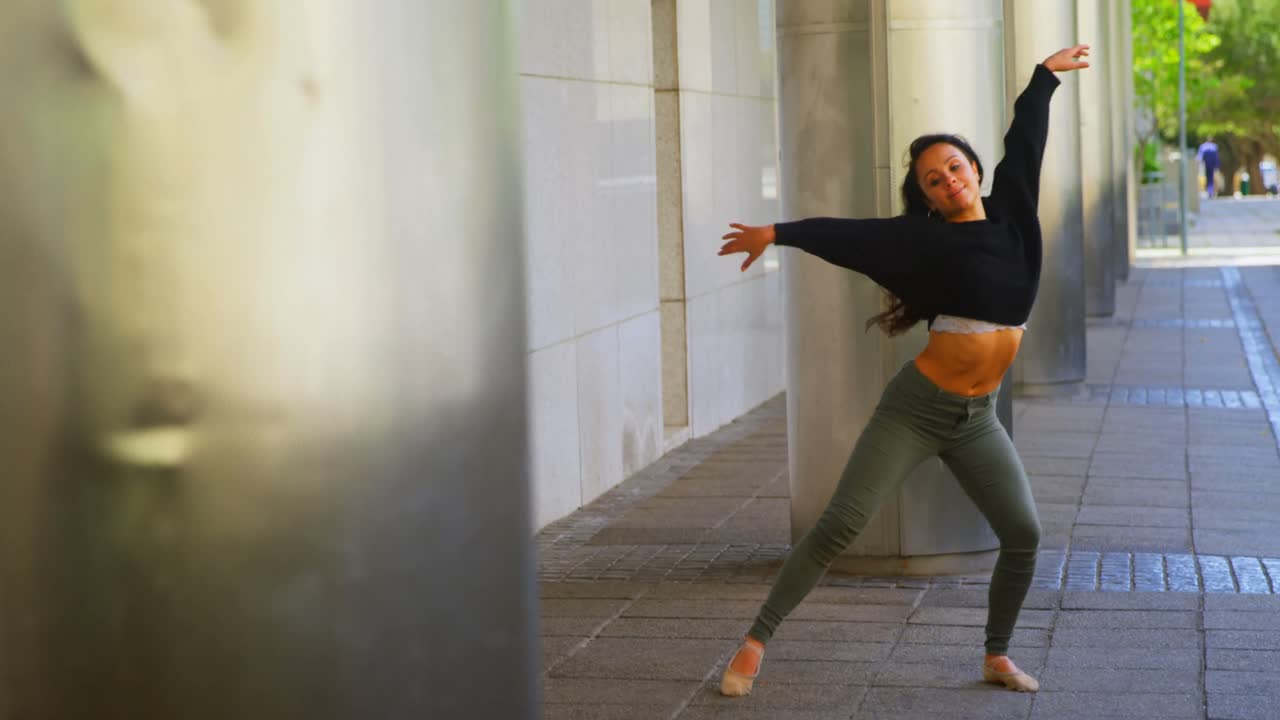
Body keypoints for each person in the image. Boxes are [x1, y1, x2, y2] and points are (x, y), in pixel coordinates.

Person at [715, 44, 1092, 697]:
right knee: (838, 525)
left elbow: (1024, 139)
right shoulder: (927, 241)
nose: (950, 180)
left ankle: (995, 655)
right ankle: (754, 641)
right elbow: (852, 236)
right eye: (933, 181)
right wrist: (775, 233)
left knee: (1023, 533)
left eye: (955, 167)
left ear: (973, 167)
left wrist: (1044, 77)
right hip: (916, 410)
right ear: (928, 200)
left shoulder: (1013, 216)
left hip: (976, 420)